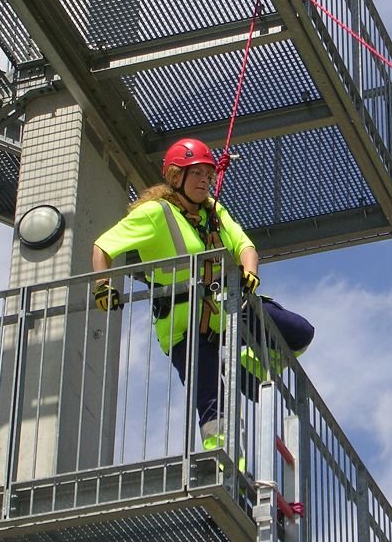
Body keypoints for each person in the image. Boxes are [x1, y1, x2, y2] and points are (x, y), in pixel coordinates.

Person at [92, 138, 314, 452]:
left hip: (226, 311)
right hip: (184, 329)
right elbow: (103, 246)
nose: (204, 181)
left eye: (208, 175)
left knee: (299, 334)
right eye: (196, 173)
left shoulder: (214, 212)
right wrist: (102, 285)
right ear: (175, 176)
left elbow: (245, 246)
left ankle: (249, 367)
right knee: (213, 403)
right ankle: (223, 461)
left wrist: (250, 272)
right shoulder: (155, 213)